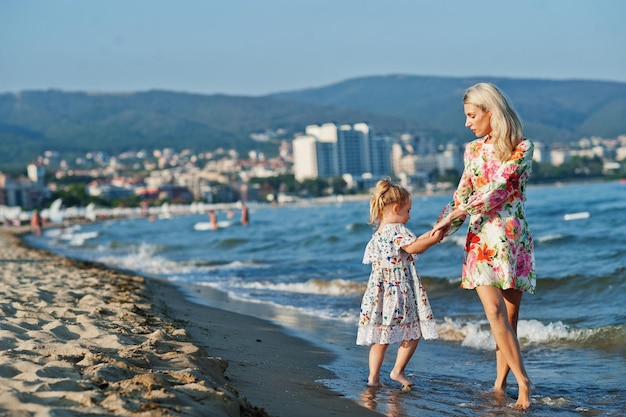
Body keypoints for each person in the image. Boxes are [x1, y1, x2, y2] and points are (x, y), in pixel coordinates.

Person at [430, 83, 535, 410]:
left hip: (511, 239)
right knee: (494, 313)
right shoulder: (472, 151)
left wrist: (458, 213)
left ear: (493, 111)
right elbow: (462, 194)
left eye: (472, 115)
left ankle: (500, 383)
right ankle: (524, 383)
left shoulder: (523, 147)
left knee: (510, 319)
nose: (467, 123)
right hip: (481, 241)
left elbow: (499, 189)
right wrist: (443, 224)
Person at [357, 178, 443, 390]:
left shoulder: (377, 236)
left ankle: (373, 378)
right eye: (408, 210)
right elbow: (414, 248)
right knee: (413, 333)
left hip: (378, 294)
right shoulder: (398, 230)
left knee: (381, 338)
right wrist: (434, 239)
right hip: (398, 291)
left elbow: (407, 247)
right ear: (396, 208)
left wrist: (427, 236)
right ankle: (397, 370)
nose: (409, 216)